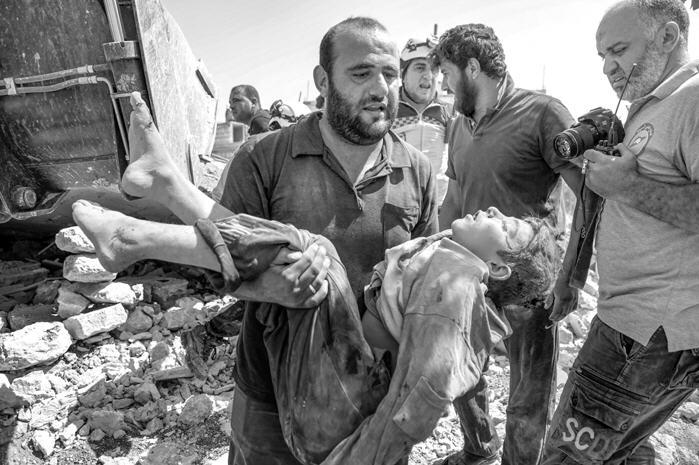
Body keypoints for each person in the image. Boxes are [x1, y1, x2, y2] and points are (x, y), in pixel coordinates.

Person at [118, 16, 439, 465]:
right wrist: (274, 288)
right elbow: (217, 260)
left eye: (389, 74)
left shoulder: (417, 170)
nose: (380, 88)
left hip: (375, 393)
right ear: (323, 81)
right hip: (270, 395)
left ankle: (163, 189)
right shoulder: (265, 156)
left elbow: (424, 281)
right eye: (361, 73)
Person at [70, 198, 560, 465]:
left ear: (497, 268)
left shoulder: (457, 290)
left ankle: (136, 236)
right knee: (310, 253)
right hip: (332, 389)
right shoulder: (453, 265)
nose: (495, 212)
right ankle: (150, 220)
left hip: (338, 414)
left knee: (309, 256)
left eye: (507, 228)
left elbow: (417, 400)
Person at [542, 1, 699, 463]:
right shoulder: (653, 106)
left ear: (667, 37)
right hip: (642, 333)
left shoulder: (692, 100)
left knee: (566, 458)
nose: (608, 67)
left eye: (619, 50)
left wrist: (627, 186)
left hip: (642, 337)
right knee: (623, 452)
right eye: (602, 56)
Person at [432, 24, 583, 465]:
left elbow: (590, 197)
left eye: (446, 73)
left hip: (529, 284)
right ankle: (478, 450)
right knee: (464, 374)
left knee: (528, 394)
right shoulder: (459, 125)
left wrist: (572, 276)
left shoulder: (543, 113)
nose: (443, 84)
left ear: (471, 68)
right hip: (471, 278)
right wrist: (432, 256)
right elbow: (454, 197)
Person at [392, 36, 452, 203]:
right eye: (420, 67)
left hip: (437, 207)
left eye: (434, 69)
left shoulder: (448, 111)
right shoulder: (386, 109)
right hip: (395, 206)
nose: (428, 75)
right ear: (402, 74)